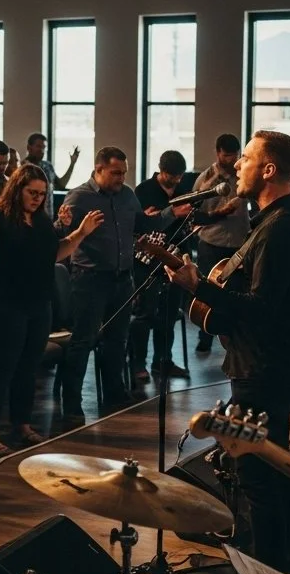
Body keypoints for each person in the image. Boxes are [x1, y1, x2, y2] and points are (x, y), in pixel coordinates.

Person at [164, 131, 290, 574]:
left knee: (259, 480)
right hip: (265, 365)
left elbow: (263, 311)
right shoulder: (277, 220)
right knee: (273, 474)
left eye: (246, 158)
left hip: (264, 369)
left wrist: (198, 286)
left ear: (268, 169)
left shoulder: (281, 226)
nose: (237, 166)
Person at [0, 164, 103, 456]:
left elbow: (54, 253)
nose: (38, 198)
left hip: (36, 302)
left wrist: (80, 233)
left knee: (28, 367)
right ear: (17, 189)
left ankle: (22, 425)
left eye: (42, 194)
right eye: (32, 192)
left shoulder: (40, 221)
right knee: (0, 368)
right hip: (0, 302)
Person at [56, 147, 186, 419]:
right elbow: (61, 238)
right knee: (84, 341)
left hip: (122, 278)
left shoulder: (127, 195)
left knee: (117, 339)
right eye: (115, 173)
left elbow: (144, 225)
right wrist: (65, 224)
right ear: (98, 169)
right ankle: (72, 405)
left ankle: (115, 393)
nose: (120, 178)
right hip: (90, 280)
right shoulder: (79, 198)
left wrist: (171, 214)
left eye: (124, 173)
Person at [128, 149, 194, 380]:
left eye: (179, 176)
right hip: (146, 261)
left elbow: (189, 220)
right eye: (171, 176)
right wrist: (159, 215)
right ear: (161, 170)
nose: (175, 180)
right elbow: (139, 224)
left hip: (174, 258)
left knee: (169, 312)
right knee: (145, 313)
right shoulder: (143, 190)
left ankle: (163, 361)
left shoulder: (184, 189)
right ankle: (138, 364)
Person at [190, 134, 250, 354]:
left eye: (234, 154)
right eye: (227, 155)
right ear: (218, 153)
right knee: (208, 289)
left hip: (238, 242)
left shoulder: (242, 174)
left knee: (238, 292)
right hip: (212, 242)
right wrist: (220, 212)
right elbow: (195, 215)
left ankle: (235, 338)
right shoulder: (206, 180)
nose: (231, 159)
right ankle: (205, 336)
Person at [23, 133, 81, 218]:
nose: (42, 150)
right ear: (29, 148)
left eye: (44, 148)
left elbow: (61, 184)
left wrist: (72, 163)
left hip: (48, 217)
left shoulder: (47, 166)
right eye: (38, 146)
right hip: (29, 217)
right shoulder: (22, 168)